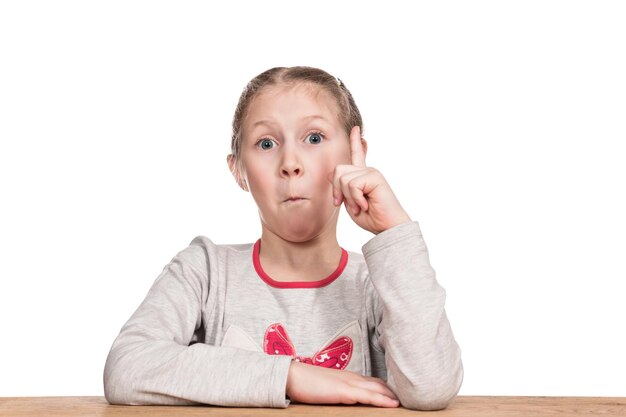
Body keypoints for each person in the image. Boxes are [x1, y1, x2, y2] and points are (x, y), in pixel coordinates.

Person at [103, 66, 464, 410]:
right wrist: (289, 376)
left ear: (356, 156)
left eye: (314, 138)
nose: (290, 162)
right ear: (238, 171)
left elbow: (431, 387)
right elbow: (127, 367)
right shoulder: (205, 272)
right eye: (266, 143)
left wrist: (394, 231)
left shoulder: (379, 283)